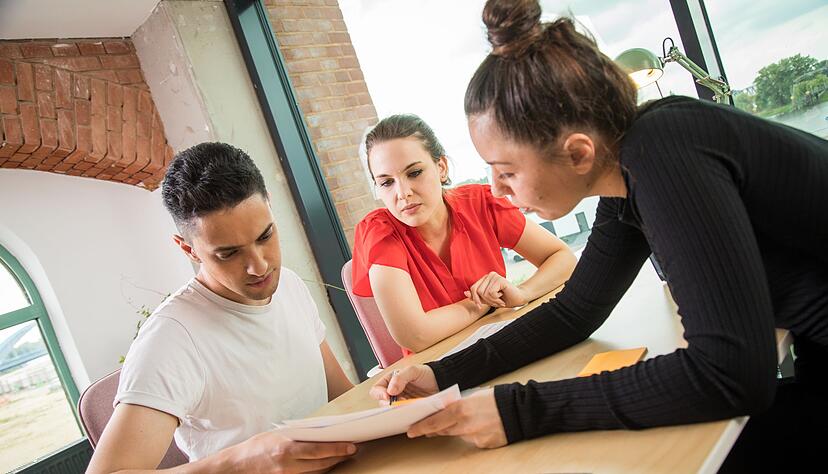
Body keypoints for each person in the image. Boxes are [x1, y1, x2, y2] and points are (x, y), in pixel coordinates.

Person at [370, 0, 828, 469]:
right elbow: (575, 310)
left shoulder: (664, 155)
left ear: (578, 154)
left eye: (506, 170)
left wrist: (517, 410)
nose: (495, 188)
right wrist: (441, 374)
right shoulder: (629, 172)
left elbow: (730, 373)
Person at [87, 143, 357, 472]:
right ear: (188, 249)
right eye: (228, 254)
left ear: (270, 206)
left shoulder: (288, 284)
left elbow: (343, 397)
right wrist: (246, 460)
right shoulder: (171, 339)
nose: (259, 267)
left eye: (265, 235)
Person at [351, 114, 576, 354]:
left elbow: (563, 258)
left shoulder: (480, 203)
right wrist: (481, 304)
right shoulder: (379, 232)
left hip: (506, 345)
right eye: (386, 183)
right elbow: (415, 335)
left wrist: (522, 292)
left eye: (414, 173)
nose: (402, 193)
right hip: (439, 370)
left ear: (441, 167)